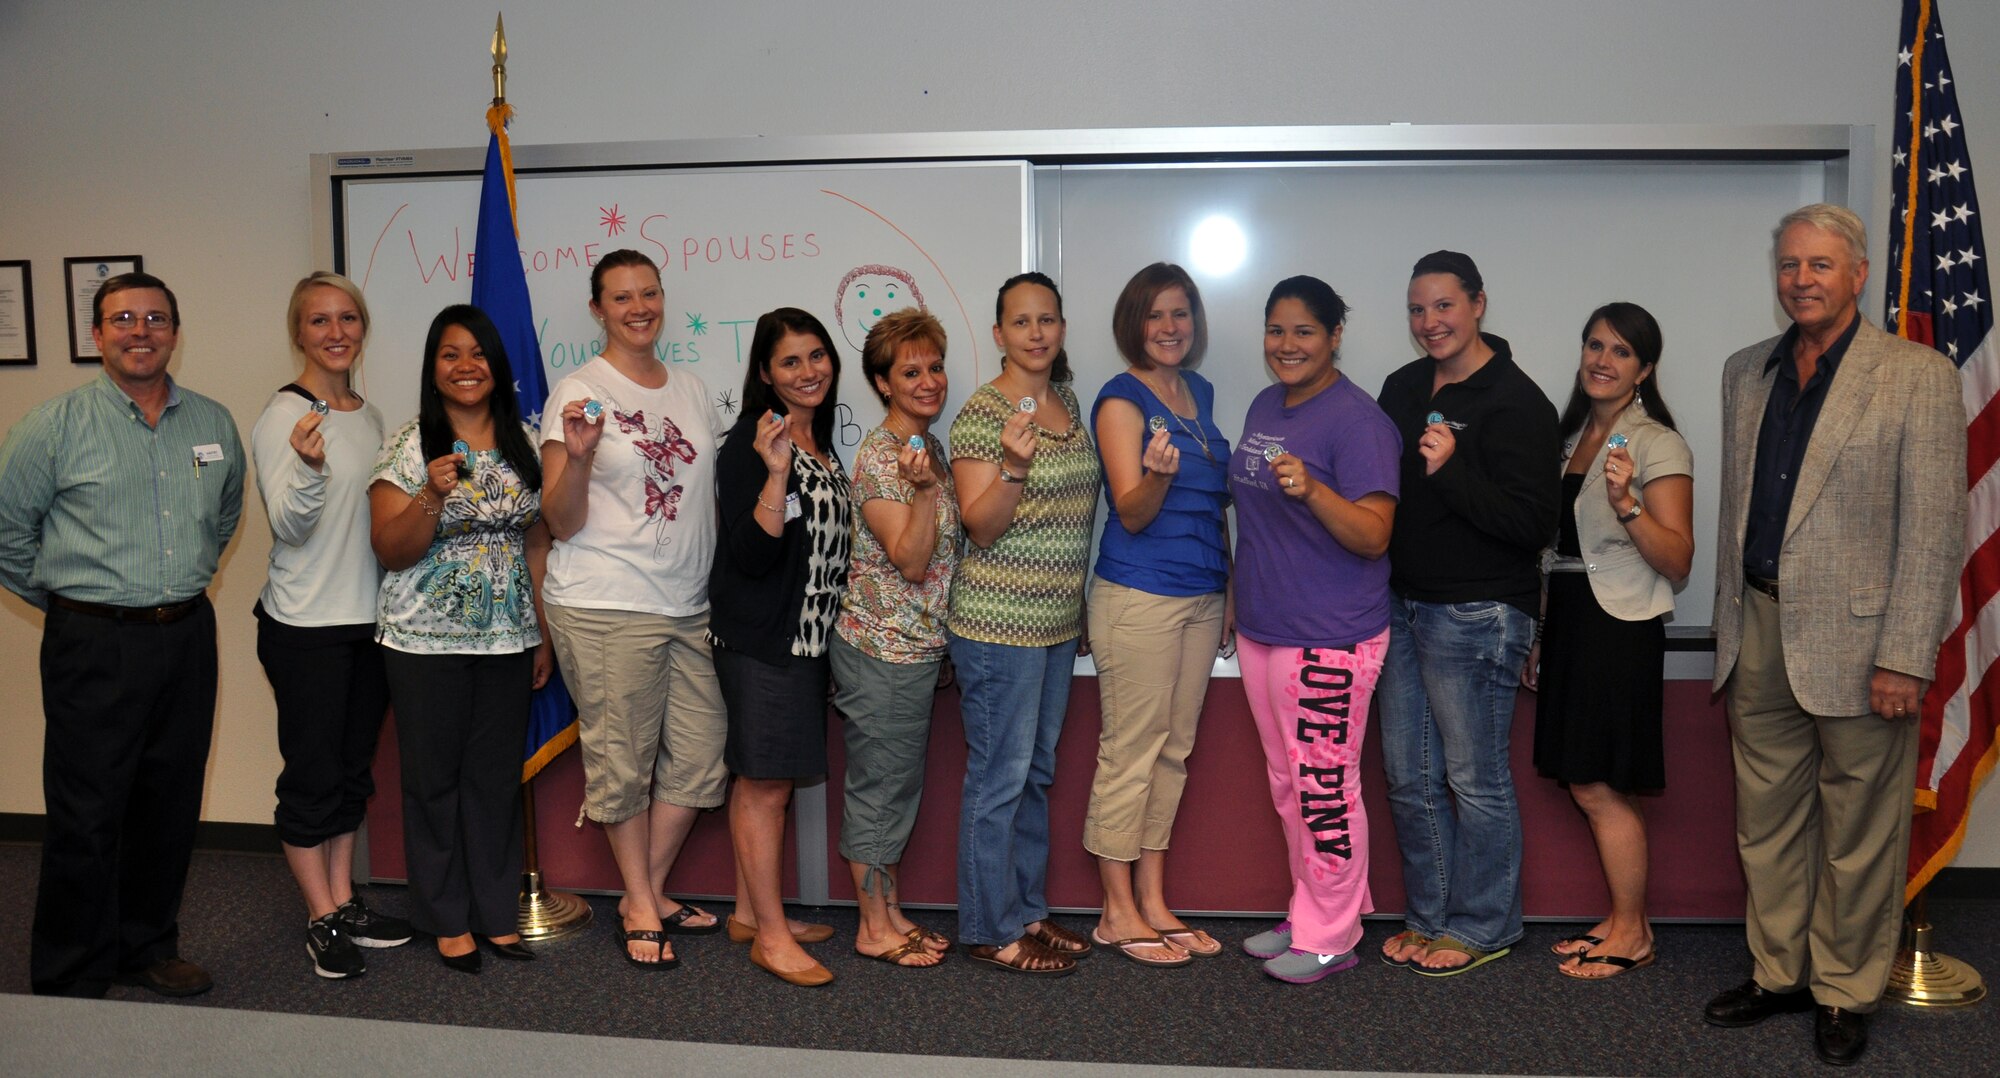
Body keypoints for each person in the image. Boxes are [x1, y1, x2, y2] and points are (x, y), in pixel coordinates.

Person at [1703, 203, 1964, 1066]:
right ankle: (1779, 973)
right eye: (1789, 264)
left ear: (1858, 273)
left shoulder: (1917, 375)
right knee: (1766, 821)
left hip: (1864, 647)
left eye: (1820, 264)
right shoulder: (1746, 371)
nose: (1801, 279)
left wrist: (1905, 656)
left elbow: (1933, 529)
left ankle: (1845, 989)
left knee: (1860, 830)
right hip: (1758, 627)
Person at [0, 272, 244, 998]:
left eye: (156, 318)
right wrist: (72, 606)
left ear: (175, 331)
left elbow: (223, 516)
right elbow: (8, 533)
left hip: (186, 636)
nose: (141, 331)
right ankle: (72, 971)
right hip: (93, 642)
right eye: (123, 319)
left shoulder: (212, 423)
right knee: (87, 812)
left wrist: (174, 583)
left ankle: (147, 946)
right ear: (97, 334)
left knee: (169, 804)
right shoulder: (54, 426)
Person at [538, 250, 727, 971]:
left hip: (687, 604)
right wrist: (581, 457)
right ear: (598, 309)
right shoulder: (580, 391)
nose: (638, 307)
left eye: (649, 293)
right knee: (623, 764)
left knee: (702, 757)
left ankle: (640, 890)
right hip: (605, 602)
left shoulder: (693, 388)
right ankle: (644, 903)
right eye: (621, 297)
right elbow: (559, 519)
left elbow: (704, 500)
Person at [1376, 251, 1561, 976]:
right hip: (1401, 605)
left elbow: (1532, 525)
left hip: (1478, 613)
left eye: (1444, 306)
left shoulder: (1518, 402)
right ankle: (1431, 918)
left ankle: (1485, 925)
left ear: (1478, 304)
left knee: (1474, 780)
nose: (1430, 322)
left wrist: (1451, 470)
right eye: (1417, 309)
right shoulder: (1402, 386)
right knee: (1408, 777)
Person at [368, 304, 552, 973]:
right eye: (451, 354)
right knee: (433, 784)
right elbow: (389, 548)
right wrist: (430, 495)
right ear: (433, 368)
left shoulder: (526, 440)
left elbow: (537, 541)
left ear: (497, 366)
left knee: (495, 782)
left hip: (508, 641)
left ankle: (496, 915)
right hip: (424, 642)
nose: (466, 366)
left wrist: (542, 634)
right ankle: (446, 919)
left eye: (478, 353)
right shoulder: (410, 443)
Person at [1232, 276, 1400, 983]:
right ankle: (1311, 910)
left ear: (1335, 335)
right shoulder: (1266, 403)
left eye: (1304, 330)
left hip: (1330, 634)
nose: (1287, 344)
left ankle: (1331, 934)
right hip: (1265, 627)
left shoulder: (1359, 422)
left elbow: (1374, 535)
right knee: (1289, 784)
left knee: (1324, 786)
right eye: (1276, 330)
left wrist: (1316, 490)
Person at [1522, 302, 1693, 981]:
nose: (1603, 360)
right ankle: (1627, 920)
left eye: (1621, 351)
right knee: (1587, 778)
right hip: (1569, 619)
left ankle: (1632, 933)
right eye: (1595, 345)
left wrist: (1629, 505)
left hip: (1618, 626)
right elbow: (1557, 550)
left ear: (1645, 369)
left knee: (1598, 782)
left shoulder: (1657, 443)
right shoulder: (1569, 439)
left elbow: (1677, 558)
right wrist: (1541, 633)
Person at [250, 271, 411, 979]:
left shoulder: (370, 417)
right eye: (320, 320)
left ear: (362, 328)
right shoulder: (284, 417)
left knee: (350, 773)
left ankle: (344, 900)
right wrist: (310, 468)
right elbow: (289, 525)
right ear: (299, 332)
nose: (336, 332)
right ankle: (320, 916)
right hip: (306, 626)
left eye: (347, 318)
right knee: (312, 777)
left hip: (367, 624)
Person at [949, 271, 1100, 976]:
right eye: (1021, 321)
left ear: (1062, 328)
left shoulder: (1068, 402)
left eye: (1047, 320)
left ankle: (1027, 912)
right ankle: (990, 928)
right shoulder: (983, 413)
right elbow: (980, 527)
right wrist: (1012, 466)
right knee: (999, 779)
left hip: (1056, 625)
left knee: (1035, 774)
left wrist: (1078, 607)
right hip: (996, 626)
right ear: (999, 334)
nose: (1036, 333)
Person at [1084, 263, 1232, 967]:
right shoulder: (1121, 401)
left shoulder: (1200, 392)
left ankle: (1152, 898)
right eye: (1155, 315)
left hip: (1203, 593)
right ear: (1133, 324)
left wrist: (1230, 588)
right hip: (1140, 594)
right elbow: (1133, 512)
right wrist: (1158, 475)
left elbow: (1217, 505)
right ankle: (1115, 911)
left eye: (1181, 313)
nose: (1170, 327)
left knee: (1174, 749)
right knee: (1132, 749)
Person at [709, 307, 851, 987]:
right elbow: (751, 554)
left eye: (816, 355)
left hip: (805, 642)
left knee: (770, 783)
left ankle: (749, 914)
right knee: (764, 787)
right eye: (790, 361)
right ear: (765, 373)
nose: (807, 371)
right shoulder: (751, 441)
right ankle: (770, 937)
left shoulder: (819, 440)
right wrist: (773, 475)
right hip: (763, 641)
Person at [829, 307, 959, 968]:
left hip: (915, 648)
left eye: (935, 367)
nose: (928, 381)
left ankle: (890, 911)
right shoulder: (884, 457)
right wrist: (929, 492)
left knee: (895, 787)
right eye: (911, 372)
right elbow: (910, 560)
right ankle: (872, 926)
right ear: (883, 383)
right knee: (880, 791)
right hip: (882, 649)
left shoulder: (925, 449)